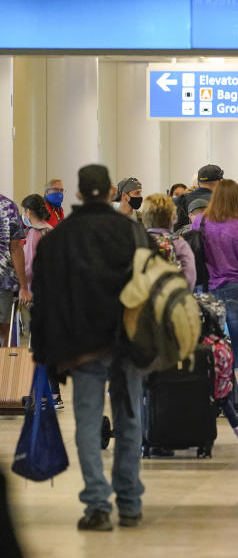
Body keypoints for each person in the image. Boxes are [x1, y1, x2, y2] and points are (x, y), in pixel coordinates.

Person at [30, 164, 150, 531]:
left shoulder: (59, 237)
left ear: (80, 194)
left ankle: (97, 505)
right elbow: (148, 286)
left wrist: (47, 353)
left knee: (86, 421)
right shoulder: (132, 233)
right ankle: (129, 503)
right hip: (126, 342)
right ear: (111, 191)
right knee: (129, 418)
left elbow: (44, 297)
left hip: (82, 346)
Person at [191, 179, 238, 421]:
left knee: (207, 347)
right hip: (235, 290)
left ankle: (209, 399)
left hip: (205, 291)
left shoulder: (200, 222)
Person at [20, 194, 60, 407]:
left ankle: (45, 395)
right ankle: (54, 394)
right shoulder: (51, 230)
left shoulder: (35, 234)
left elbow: (28, 267)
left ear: (29, 211)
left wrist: (21, 286)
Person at [142, 194, 197, 290]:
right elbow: (190, 275)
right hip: (172, 298)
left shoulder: (137, 239)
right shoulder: (178, 242)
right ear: (172, 217)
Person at [0, 191, 29, 347]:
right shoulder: (8, 206)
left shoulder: (8, 207)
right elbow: (16, 248)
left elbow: (16, 248)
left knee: (4, 334)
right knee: (3, 333)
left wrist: (24, 287)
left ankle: (4, 369)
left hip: (2, 282)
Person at [175, 164, 223, 231]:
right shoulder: (225, 202)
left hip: (184, 240)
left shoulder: (180, 199)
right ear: (221, 182)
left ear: (198, 183)